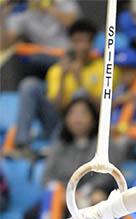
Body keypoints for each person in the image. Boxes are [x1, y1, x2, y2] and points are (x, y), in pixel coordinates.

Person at [13, 19, 106, 152]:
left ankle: (59, 150)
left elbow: (102, 108)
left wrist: (79, 81)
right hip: (58, 122)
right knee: (29, 84)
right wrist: (63, 78)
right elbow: (57, 108)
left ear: (92, 44)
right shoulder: (57, 69)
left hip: (89, 126)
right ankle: (21, 145)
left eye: (84, 41)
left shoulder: (102, 68)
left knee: (79, 96)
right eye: (75, 41)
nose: (80, 47)